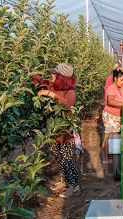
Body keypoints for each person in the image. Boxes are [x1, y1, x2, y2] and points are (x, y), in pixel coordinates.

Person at [31, 63, 81, 198]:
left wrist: (49, 94)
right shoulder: (52, 86)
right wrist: (30, 73)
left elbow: (66, 104)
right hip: (54, 133)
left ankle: (74, 186)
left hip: (66, 135)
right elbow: (41, 80)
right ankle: (65, 181)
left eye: (55, 74)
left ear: (62, 77)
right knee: (59, 158)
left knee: (68, 160)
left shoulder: (70, 92)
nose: (51, 75)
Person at [102, 69, 123, 164]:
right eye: (121, 80)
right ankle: (105, 158)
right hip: (110, 115)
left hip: (117, 115)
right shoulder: (111, 88)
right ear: (115, 79)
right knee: (109, 136)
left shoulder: (122, 87)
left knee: (115, 136)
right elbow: (110, 101)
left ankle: (113, 155)